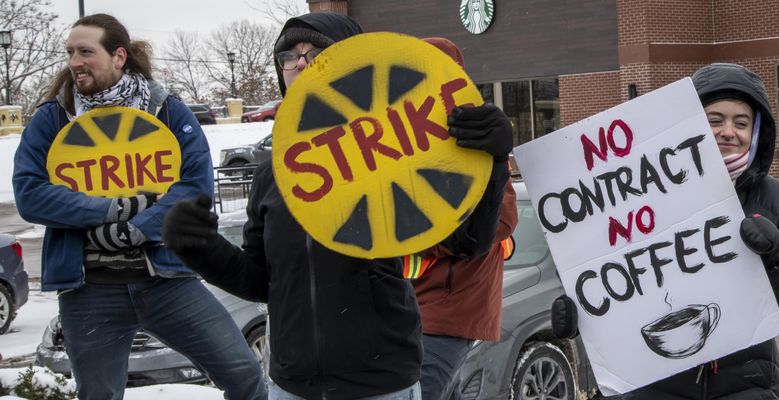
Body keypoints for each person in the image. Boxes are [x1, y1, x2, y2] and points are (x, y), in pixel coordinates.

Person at [160, 12, 515, 400]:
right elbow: (262, 280)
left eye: (315, 51)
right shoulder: (273, 174)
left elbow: (470, 241)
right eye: (288, 56)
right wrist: (202, 249)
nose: (299, 63)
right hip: (290, 386)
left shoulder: (392, 153)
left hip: (382, 384)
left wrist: (493, 162)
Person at [11, 13, 266, 400]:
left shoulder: (167, 111)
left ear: (118, 56)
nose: (74, 61)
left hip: (167, 280)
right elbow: (30, 193)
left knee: (245, 376)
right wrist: (113, 210)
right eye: (70, 53)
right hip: (88, 290)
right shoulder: (53, 118)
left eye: (85, 51)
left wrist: (138, 227)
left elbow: (193, 189)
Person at [551, 63, 779, 399]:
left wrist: (773, 258)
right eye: (714, 119)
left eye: (741, 123)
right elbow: (612, 281)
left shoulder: (773, 197)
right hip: (653, 385)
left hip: (746, 385)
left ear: (756, 133)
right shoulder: (637, 195)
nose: (728, 131)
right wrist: (581, 320)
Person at [413, 36, 519, 400]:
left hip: (451, 310)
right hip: (411, 310)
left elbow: (502, 221)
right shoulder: (404, 146)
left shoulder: (481, 136)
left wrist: (434, 238)